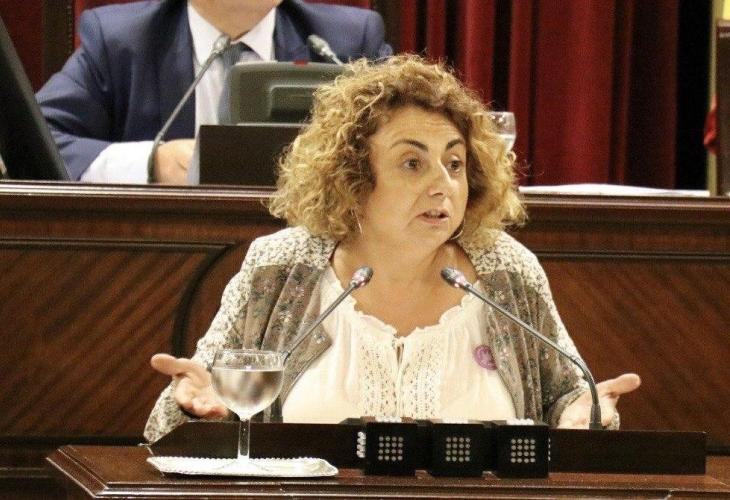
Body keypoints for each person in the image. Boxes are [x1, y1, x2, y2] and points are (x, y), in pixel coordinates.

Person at [144, 54, 640, 443]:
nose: (442, 184)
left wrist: (584, 412)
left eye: (454, 163)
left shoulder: (506, 271)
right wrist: (196, 407)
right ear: (353, 177)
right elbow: (188, 412)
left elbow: (567, 399)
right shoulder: (279, 268)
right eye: (411, 163)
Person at [36, 0, 392, 184]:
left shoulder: (347, 42)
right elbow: (36, 140)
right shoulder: (121, 41)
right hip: (163, 263)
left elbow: (406, 139)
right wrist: (152, 163)